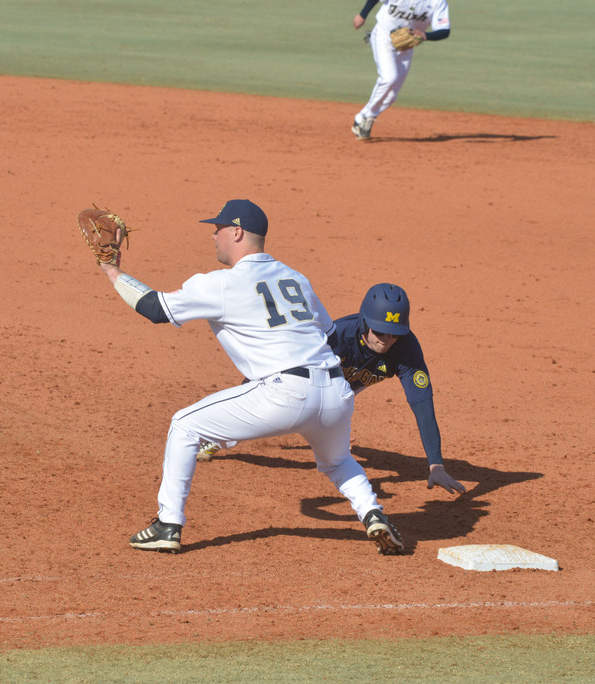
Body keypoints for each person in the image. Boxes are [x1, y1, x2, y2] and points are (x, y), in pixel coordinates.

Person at [94, 199, 403, 555]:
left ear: (237, 232)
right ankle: (373, 513)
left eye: (218, 229)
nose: (213, 236)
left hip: (285, 394)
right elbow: (329, 334)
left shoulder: (223, 284)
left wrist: (111, 269)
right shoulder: (296, 278)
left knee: (184, 425)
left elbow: (154, 309)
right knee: (337, 461)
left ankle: (168, 524)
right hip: (336, 391)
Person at [199, 283, 466, 496]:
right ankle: (219, 435)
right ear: (364, 322)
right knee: (267, 417)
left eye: (395, 333)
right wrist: (251, 390)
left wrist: (436, 464)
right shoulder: (336, 337)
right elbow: (284, 364)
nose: (388, 340)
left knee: (333, 448)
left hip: (344, 391)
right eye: (381, 332)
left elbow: (422, 404)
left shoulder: (406, 349)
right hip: (306, 380)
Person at [351, 0, 451, 140]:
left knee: (391, 97)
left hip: (406, 46)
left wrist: (425, 36)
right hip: (383, 37)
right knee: (388, 78)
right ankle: (365, 118)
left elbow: (444, 31)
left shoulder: (437, 2)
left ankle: (363, 117)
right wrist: (362, 15)